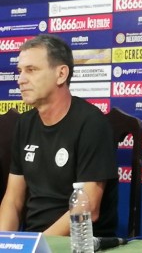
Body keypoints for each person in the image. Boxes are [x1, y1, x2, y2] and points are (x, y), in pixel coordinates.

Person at [0, 34, 118, 237]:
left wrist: (39, 246)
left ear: (61, 74)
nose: (20, 80)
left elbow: (88, 209)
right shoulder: (24, 124)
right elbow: (13, 199)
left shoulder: (92, 124)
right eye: (20, 71)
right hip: (34, 240)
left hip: (80, 243)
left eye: (31, 70)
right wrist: (4, 243)